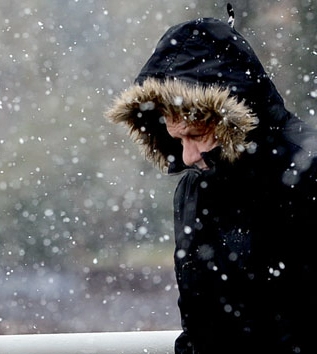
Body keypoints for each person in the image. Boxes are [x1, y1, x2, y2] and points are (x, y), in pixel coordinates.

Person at [105, 4, 317, 354]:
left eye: (197, 134)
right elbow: (200, 326)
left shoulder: (307, 175)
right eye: (178, 138)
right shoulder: (195, 190)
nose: (187, 156)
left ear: (232, 116)